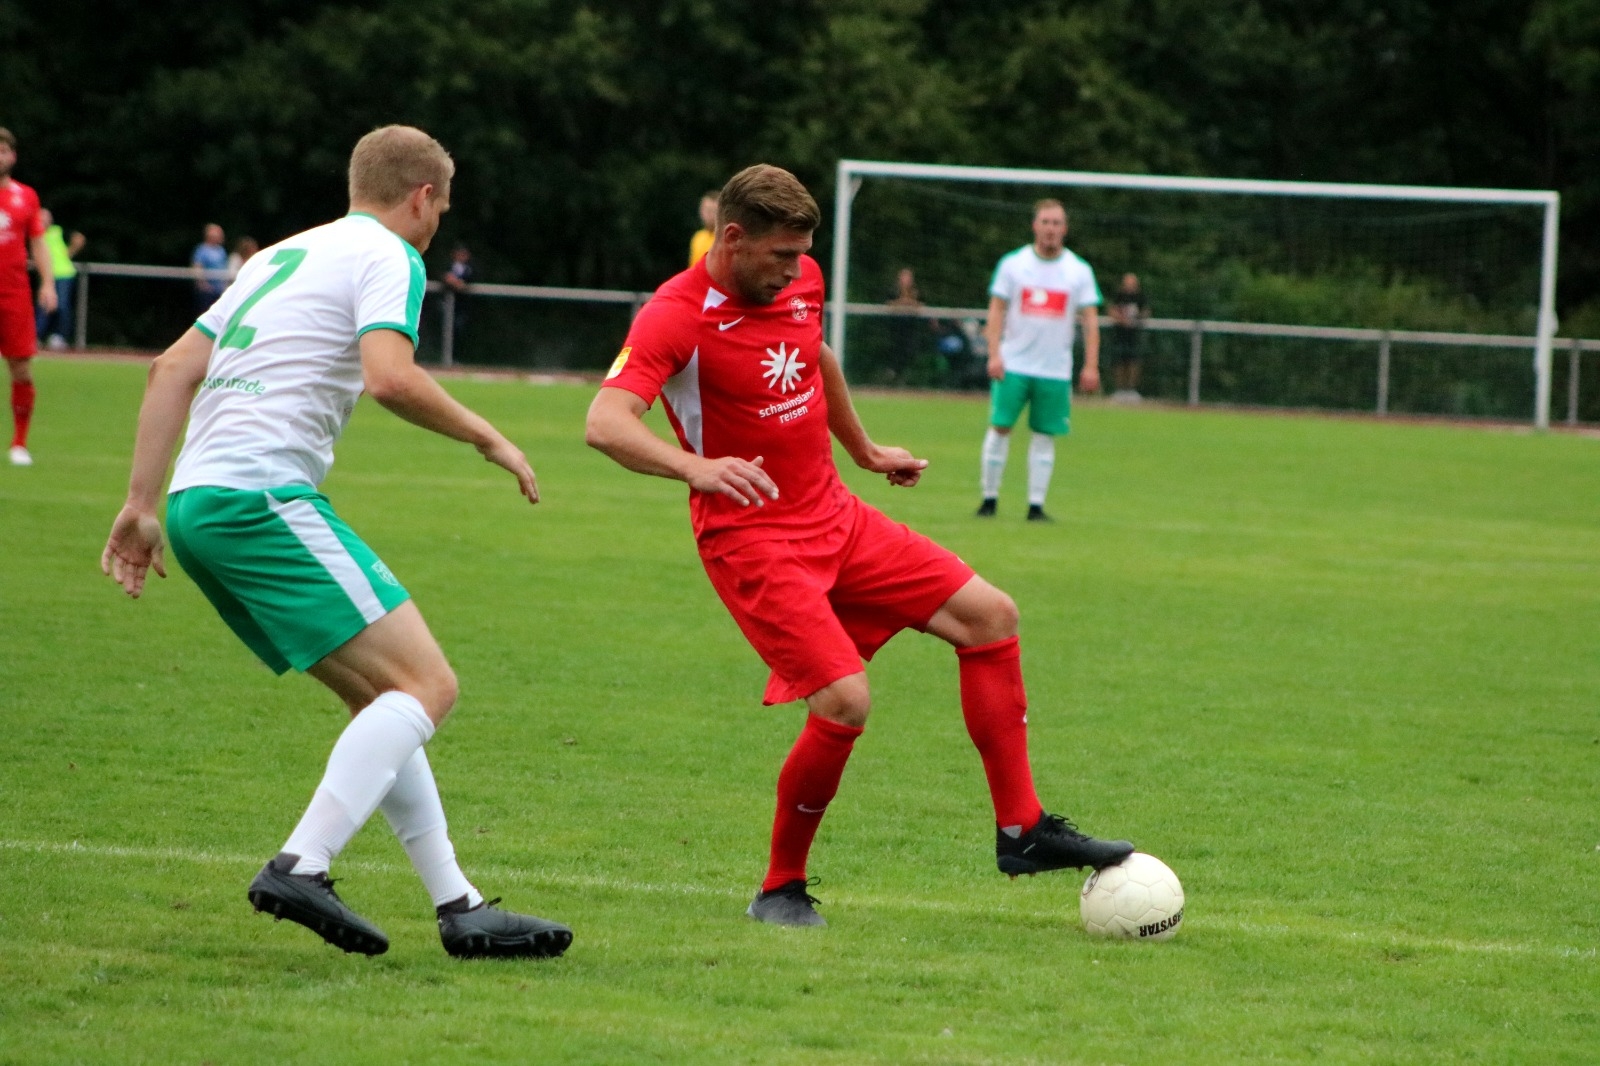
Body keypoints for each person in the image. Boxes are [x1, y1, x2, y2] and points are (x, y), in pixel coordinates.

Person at [585, 165, 1132, 928]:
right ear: (732, 238)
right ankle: (780, 888)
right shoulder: (674, 317)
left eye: (802, 255)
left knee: (990, 616)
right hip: (752, 539)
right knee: (845, 700)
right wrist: (695, 468)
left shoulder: (799, 280)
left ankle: (1022, 830)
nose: (795, 271)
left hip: (836, 518)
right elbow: (605, 422)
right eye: (781, 255)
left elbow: (817, 356)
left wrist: (865, 450)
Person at [100, 125, 572, 960]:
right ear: (422, 197)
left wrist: (141, 504)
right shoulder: (391, 255)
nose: (437, 226)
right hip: (260, 498)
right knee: (428, 685)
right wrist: (487, 435)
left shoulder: (280, 255)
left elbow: (169, 369)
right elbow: (390, 376)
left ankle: (458, 906)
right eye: (441, 209)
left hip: (197, 505)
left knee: (382, 699)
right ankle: (301, 864)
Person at [977, 199, 1101, 522]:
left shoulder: (1078, 271)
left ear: (1065, 229)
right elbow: (997, 310)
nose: (1050, 229)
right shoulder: (1013, 264)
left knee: (1045, 434)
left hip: (1054, 369)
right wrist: (994, 353)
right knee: (1000, 427)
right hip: (1014, 364)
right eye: (1045, 222)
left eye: (1056, 223)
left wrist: (1090, 365)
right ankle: (989, 499)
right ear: (1035, 226)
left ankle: (1035, 505)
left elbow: (1090, 321)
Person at [0, 128, 56, 467]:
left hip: (14, 293)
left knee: (21, 368)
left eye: (2, 150)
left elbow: (37, 242)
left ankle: (19, 442)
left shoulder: (26, 197)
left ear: (13, 156)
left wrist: (47, 283)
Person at [35, 208, 84, 351]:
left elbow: (79, 238)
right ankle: (36, 336)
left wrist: (69, 253)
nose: (44, 220)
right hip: (47, 275)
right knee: (43, 306)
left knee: (62, 305)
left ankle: (59, 336)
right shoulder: (36, 234)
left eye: (46, 217)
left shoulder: (58, 231)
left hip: (63, 274)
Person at [1106, 272, 1148, 402]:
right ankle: (1119, 390)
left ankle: (1131, 390)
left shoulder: (1140, 297)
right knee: (1119, 362)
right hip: (1119, 335)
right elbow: (1111, 310)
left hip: (1134, 335)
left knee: (1134, 362)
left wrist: (1136, 319)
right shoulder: (1118, 296)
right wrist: (1122, 320)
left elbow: (1146, 311)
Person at [441, 244, 473, 349]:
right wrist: (450, 281)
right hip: (445, 304)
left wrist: (459, 283)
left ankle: (457, 354)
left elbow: (470, 281)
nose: (461, 256)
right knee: (445, 329)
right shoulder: (447, 266)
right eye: (459, 253)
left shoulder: (470, 269)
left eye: (464, 254)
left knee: (459, 330)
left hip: (461, 306)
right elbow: (442, 276)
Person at [190, 223, 228, 312]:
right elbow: (197, 267)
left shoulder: (221, 251)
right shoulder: (201, 250)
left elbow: (224, 267)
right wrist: (203, 284)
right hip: (207, 290)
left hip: (220, 290)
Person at [687, 190, 719, 267]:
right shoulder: (698, 238)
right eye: (706, 210)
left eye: (712, 210)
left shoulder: (726, 240)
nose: (709, 214)